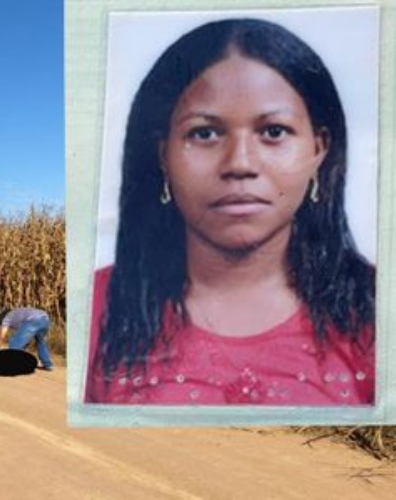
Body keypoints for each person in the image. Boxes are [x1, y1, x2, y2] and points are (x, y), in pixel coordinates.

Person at [85, 18, 376, 405]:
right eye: (205, 133)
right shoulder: (98, 306)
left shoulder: (377, 309)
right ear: (163, 155)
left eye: (273, 131)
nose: (240, 163)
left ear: (318, 149)